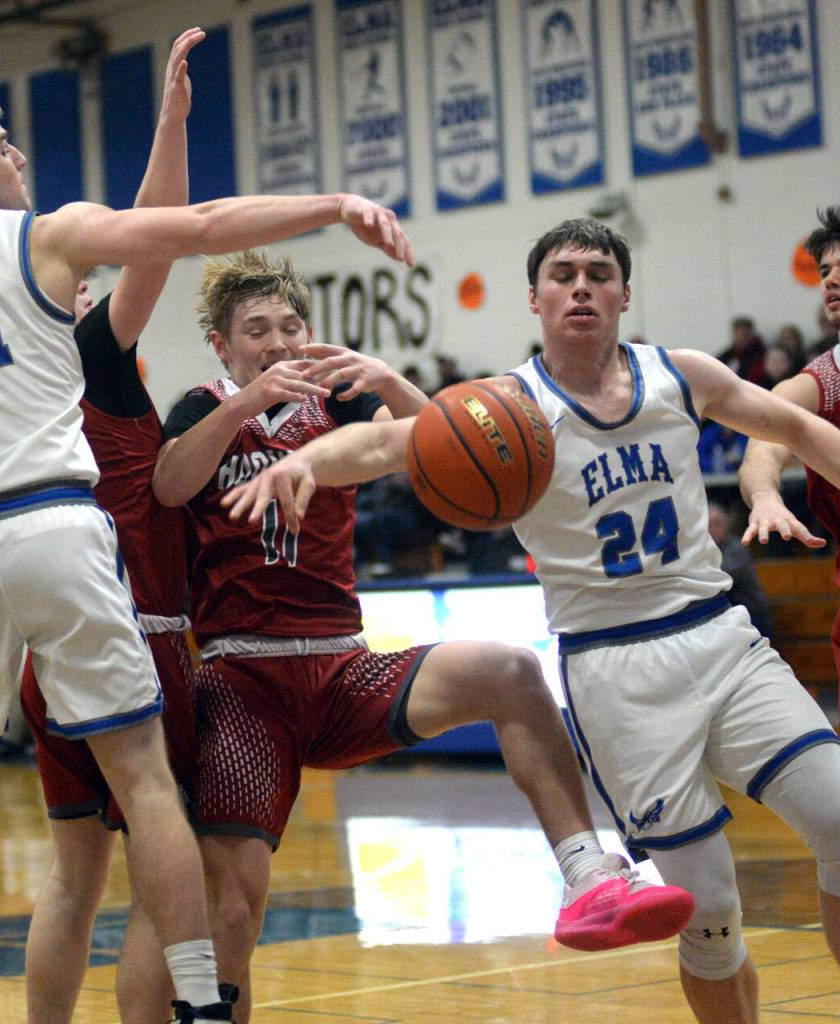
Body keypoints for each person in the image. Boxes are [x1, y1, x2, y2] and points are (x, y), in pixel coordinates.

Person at [0, 44, 413, 1023]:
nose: (18, 160)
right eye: (4, 147)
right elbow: (184, 229)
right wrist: (332, 205)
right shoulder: (53, 272)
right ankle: (197, 1001)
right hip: (81, 566)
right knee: (149, 794)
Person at [223, 218, 840, 1024]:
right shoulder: (504, 409)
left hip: (722, 637)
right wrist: (303, 461)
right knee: (712, 915)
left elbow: (790, 425)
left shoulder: (678, 374)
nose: (579, 286)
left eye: (596, 273)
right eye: (561, 274)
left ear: (623, 294)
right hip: (616, 672)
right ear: (535, 298)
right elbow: (381, 447)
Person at [151, 248, 695, 1022]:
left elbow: (432, 445)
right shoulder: (199, 406)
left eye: (290, 326)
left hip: (342, 670)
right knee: (233, 917)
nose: (277, 343)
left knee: (510, 671)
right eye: (257, 330)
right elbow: (170, 483)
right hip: (243, 682)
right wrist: (243, 407)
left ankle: (587, 874)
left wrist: (390, 382)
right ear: (223, 344)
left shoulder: (336, 402)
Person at [18, 29, 223, 1024]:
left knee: (71, 880)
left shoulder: (6, 385)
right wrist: (172, 125)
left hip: (41, 653)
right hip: (134, 644)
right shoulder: (90, 352)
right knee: (161, 858)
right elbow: (157, 232)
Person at [739, 206, 840, 685]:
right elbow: (763, 441)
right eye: (824, 271)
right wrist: (764, 494)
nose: (830, 281)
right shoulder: (822, 379)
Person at [706, 502, 772, 639]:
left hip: (750, 616)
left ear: (726, 526)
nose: (712, 529)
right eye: (708, 525)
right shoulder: (705, 551)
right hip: (726, 617)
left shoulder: (737, 548)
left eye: (716, 524)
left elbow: (721, 577)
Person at [716, 315, 767, 387]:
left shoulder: (761, 355)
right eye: (738, 334)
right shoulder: (728, 355)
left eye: (744, 335)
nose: (741, 338)